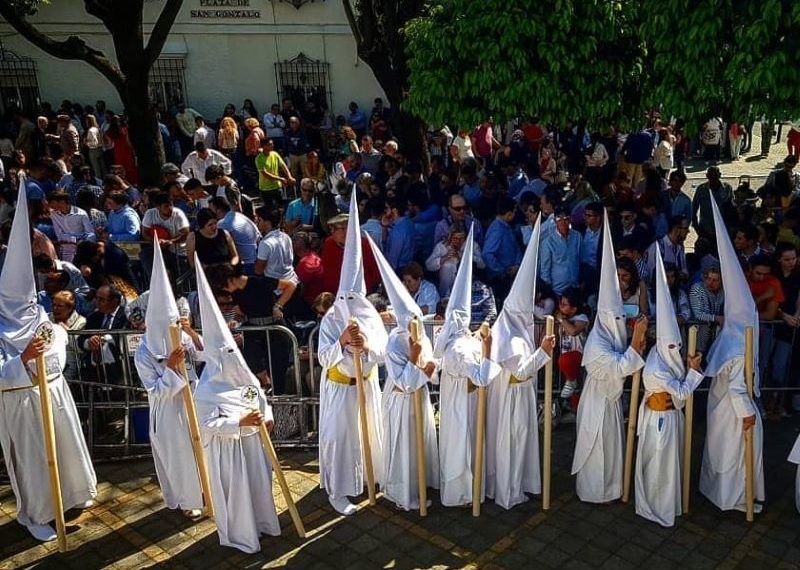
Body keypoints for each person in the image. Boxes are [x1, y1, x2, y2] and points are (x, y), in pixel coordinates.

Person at [0, 182, 96, 541]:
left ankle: (72, 494)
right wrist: (22, 359)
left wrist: (48, 345)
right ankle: (36, 512)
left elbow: (58, 337)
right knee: (33, 460)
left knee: (65, 448)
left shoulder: (39, 316)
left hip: (53, 393)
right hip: (19, 402)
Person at [193, 259, 281, 553]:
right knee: (237, 495)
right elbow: (205, 423)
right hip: (228, 453)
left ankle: (265, 524)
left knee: (258, 488)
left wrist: (266, 417)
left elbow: (260, 397)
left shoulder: (243, 377)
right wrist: (238, 424)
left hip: (254, 447)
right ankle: (241, 535)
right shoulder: (206, 389)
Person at [317, 192, 388, 515]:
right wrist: (343, 341)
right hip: (340, 387)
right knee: (340, 439)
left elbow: (383, 350)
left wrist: (368, 347)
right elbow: (323, 357)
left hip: (367, 384)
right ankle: (338, 489)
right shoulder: (332, 317)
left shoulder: (370, 314)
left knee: (368, 434)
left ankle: (369, 479)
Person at [571, 212, 648, 503]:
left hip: (610, 401)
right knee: (597, 447)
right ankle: (593, 493)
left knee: (612, 446)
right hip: (596, 401)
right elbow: (620, 365)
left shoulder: (610, 333)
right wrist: (638, 338)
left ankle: (612, 489)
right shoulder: (596, 341)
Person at [699, 193, 765, 514]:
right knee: (732, 454)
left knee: (722, 452)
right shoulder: (739, 341)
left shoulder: (732, 334)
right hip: (733, 410)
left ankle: (727, 493)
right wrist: (748, 411)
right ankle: (735, 498)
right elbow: (738, 384)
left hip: (722, 407)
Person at [486, 215, 555, 509]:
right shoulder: (510, 336)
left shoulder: (515, 328)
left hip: (520, 395)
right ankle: (509, 490)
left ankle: (521, 484)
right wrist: (543, 351)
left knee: (521, 442)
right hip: (513, 397)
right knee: (512, 443)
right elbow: (522, 369)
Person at [366, 237, 439, 511]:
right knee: (403, 447)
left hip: (418, 398)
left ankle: (420, 484)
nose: (415, 325)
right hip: (401, 400)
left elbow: (431, 370)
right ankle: (402, 494)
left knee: (418, 442)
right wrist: (416, 361)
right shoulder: (395, 341)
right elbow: (404, 381)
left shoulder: (419, 335)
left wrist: (428, 366)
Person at [635, 248, 705, 527]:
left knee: (670, 465)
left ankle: (669, 504)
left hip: (670, 418)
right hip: (660, 420)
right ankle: (656, 507)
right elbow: (681, 391)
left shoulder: (661, 354)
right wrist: (694, 372)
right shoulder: (656, 366)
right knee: (659, 466)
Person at [134, 245, 205, 519]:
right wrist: (172, 367)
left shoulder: (181, 336)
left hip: (195, 397)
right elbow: (153, 388)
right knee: (180, 454)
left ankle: (207, 488)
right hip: (169, 408)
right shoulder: (144, 352)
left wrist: (191, 332)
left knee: (202, 445)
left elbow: (203, 353)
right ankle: (188, 498)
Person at [434, 226, 501, 507]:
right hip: (464, 401)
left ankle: (465, 490)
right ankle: (462, 494)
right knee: (463, 446)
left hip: (458, 398)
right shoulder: (460, 347)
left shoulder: (455, 341)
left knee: (457, 444)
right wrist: (487, 354)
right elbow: (483, 377)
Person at [539, 206, 582, 295]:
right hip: (557, 291)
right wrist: (548, 292)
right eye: (559, 218)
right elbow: (545, 270)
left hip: (575, 288)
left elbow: (581, 260)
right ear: (555, 221)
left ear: (570, 220)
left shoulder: (577, 237)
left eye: (566, 218)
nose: (562, 222)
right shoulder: (547, 242)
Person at [255, 138, 294, 205]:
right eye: (270, 144)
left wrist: (289, 176)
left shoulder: (275, 154)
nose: (272, 145)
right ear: (264, 146)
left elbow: (283, 166)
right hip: (266, 189)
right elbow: (265, 174)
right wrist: (280, 179)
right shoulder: (259, 159)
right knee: (270, 209)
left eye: (272, 144)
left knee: (282, 206)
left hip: (277, 187)